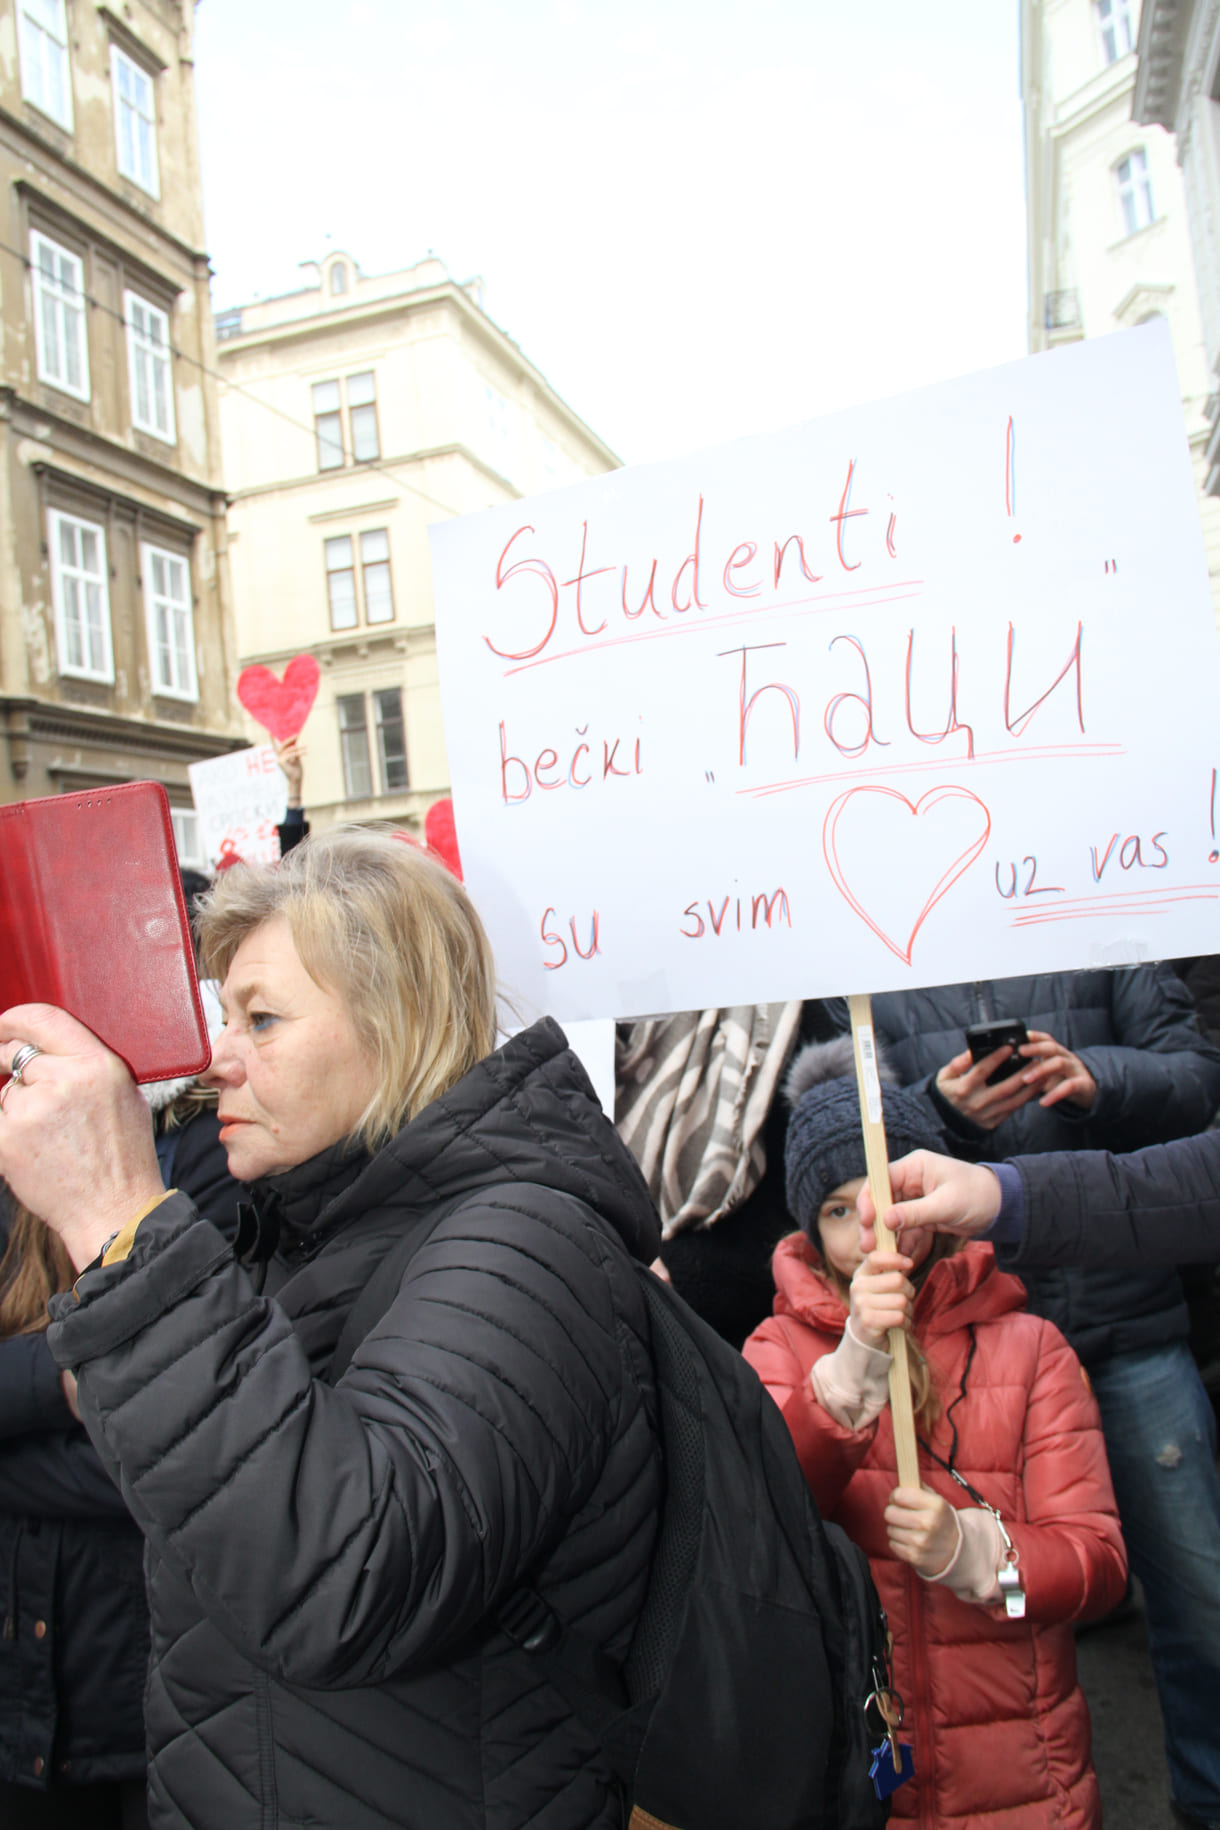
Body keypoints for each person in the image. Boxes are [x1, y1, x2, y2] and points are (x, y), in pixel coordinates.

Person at [0, 829, 663, 1830]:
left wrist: (118, 1221)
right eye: (226, 1016)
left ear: (395, 1024)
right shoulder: (314, 1230)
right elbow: (186, 1497)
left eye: (261, 1020)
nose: (216, 1062)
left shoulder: (524, 1239)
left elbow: (338, 1577)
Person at [835, 967, 1220, 1830]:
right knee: (992, 1614)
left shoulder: (1099, 921)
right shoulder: (880, 965)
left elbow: (1197, 1082)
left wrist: (1097, 1078)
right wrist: (942, 1110)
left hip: (1126, 1320)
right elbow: (849, 1143)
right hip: (972, 1339)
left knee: (1200, 1594)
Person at [743, 1041, 1127, 1830]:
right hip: (857, 1770)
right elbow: (768, 1520)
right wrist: (848, 1374)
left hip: (1021, 1780)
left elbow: (1092, 1575)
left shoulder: (1030, 1349)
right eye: (838, 1210)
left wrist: (980, 1559)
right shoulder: (778, 1352)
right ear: (811, 1230)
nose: (866, 1233)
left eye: (884, 1201)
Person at [0, 1072, 241, 1828]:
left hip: (157, 1697)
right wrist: (73, 1381)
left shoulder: (213, 1148)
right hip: (23, 1703)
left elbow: (192, 1455)